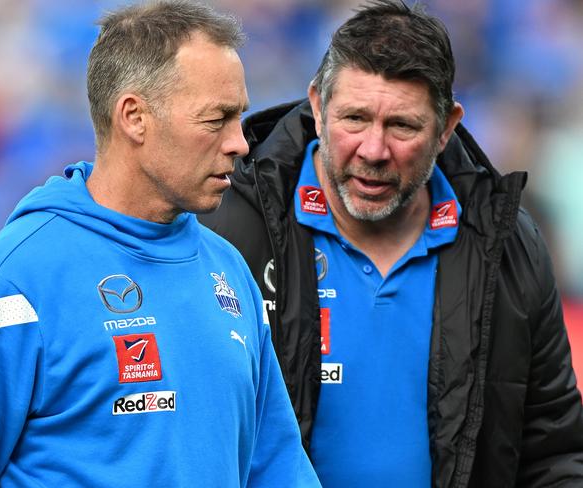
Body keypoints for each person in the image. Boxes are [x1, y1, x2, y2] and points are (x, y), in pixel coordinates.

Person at [0, 2, 320, 487]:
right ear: (134, 117)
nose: (240, 143)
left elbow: (277, 467)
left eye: (239, 117)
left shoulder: (230, 269)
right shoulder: (8, 285)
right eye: (216, 119)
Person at [199, 0, 583, 486]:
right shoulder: (229, 229)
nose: (374, 150)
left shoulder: (506, 241)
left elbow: (554, 452)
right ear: (317, 106)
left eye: (402, 125)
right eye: (354, 119)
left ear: (446, 127)